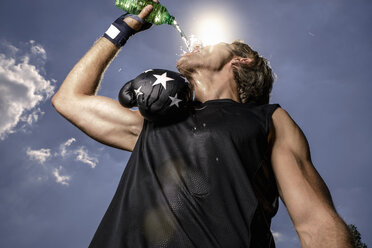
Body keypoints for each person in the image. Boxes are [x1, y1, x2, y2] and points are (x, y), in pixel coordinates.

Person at [52, 1, 353, 247]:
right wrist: (121, 29)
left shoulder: (267, 119)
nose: (198, 44)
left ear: (242, 60)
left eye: (213, 43)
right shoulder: (158, 121)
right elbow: (69, 100)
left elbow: (316, 223)